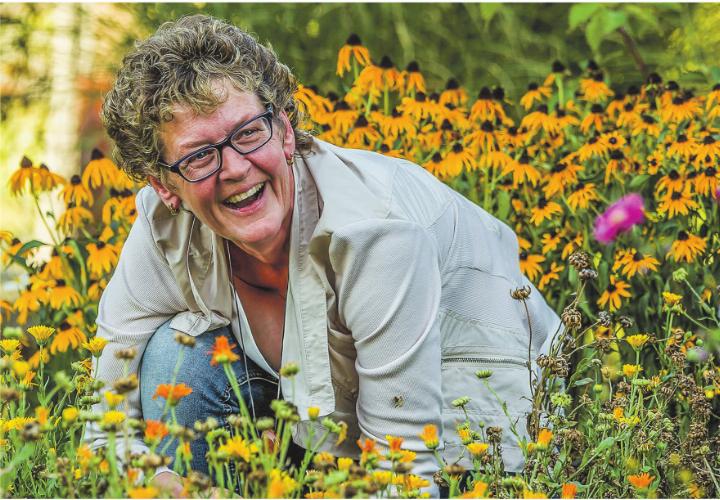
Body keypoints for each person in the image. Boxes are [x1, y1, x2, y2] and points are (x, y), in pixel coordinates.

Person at [86, 14, 561, 497]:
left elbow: (401, 472)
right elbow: (105, 418)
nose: (233, 168)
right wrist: (152, 484)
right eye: (199, 157)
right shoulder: (163, 224)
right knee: (173, 355)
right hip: (323, 424)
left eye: (248, 132)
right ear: (165, 185)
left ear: (286, 132)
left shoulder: (376, 230)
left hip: (474, 421)